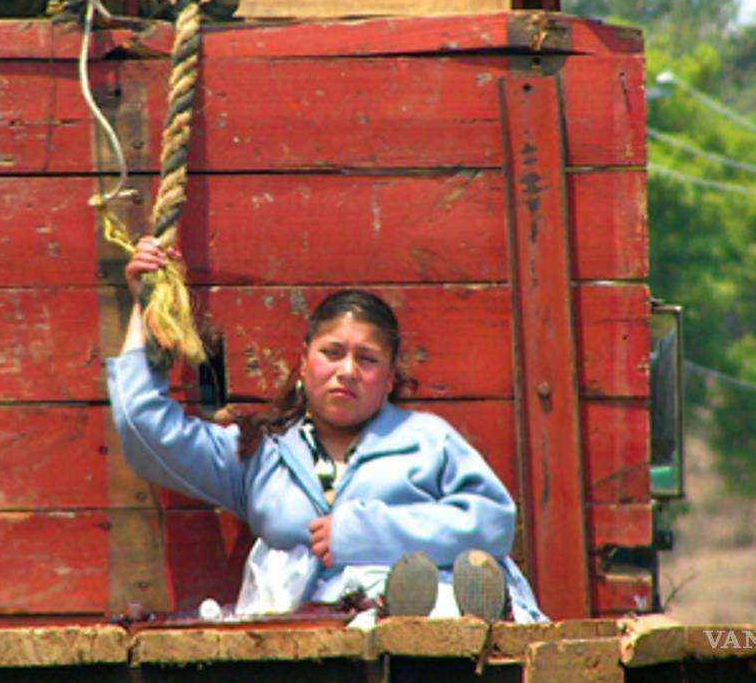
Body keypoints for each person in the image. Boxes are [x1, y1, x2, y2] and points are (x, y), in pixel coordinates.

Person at [106, 236, 547, 622]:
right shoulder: (260, 451)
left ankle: (432, 611)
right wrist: (144, 304)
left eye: (367, 360)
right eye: (332, 353)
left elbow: (493, 525)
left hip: (430, 623)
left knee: (434, 595)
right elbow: (144, 431)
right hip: (314, 632)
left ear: (390, 377)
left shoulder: (427, 439)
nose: (348, 371)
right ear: (303, 361)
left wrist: (366, 533)